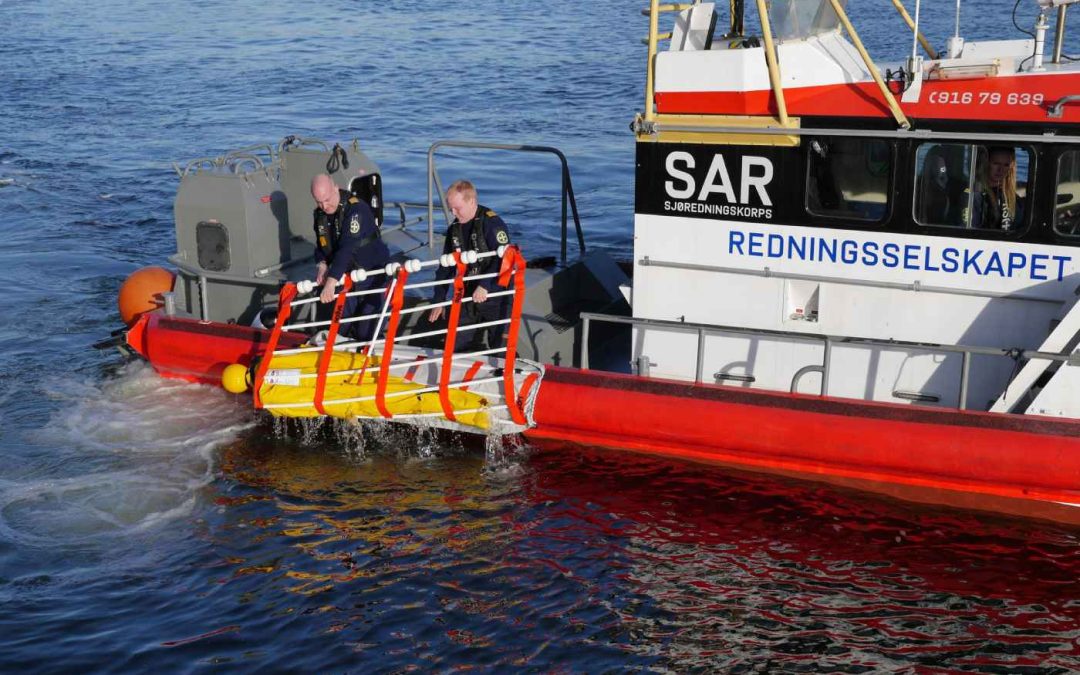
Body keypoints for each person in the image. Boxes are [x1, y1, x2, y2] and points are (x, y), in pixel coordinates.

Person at [427, 180, 512, 351]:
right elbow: (446, 266)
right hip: (467, 293)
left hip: (496, 293)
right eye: (451, 208)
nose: (453, 213)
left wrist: (485, 285)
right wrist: (439, 299)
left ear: (471, 201)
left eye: (457, 208)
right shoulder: (454, 230)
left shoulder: (492, 224)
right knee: (455, 344)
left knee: (502, 347)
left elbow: (505, 258)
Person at [311, 173, 390, 342]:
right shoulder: (320, 215)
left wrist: (331, 282)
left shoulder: (356, 209)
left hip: (371, 274)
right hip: (345, 277)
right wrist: (322, 264)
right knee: (339, 327)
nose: (324, 206)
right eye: (319, 202)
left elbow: (347, 247)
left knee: (366, 332)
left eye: (327, 199)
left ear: (335, 187)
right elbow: (321, 246)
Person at [972, 146, 1022, 231]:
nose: (1000, 170)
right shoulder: (975, 195)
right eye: (996, 163)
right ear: (987, 163)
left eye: (1006, 165)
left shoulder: (1012, 198)